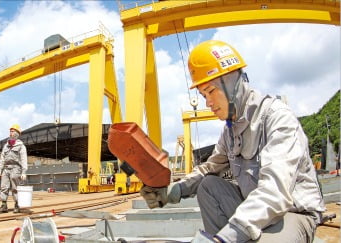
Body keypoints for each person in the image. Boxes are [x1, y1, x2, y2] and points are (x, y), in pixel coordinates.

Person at [140, 40, 326, 242]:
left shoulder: (277, 117)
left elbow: (275, 191)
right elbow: (208, 169)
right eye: (203, 95)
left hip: (292, 212)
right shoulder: (230, 132)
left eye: (211, 91)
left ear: (232, 83)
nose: (208, 102)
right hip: (256, 209)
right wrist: (172, 191)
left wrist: (224, 238)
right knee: (209, 185)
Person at [0, 124, 28, 214]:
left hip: (16, 168)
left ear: (17, 133)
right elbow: (2, 159)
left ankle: (17, 205)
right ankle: (4, 205)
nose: (11, 133)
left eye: (13, 131)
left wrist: (24, 172)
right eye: (10, 131)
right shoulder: (6, 146)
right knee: (4, 187)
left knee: (15, 188)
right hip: (6, 168)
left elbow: (24, 159)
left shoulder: (21, 146)